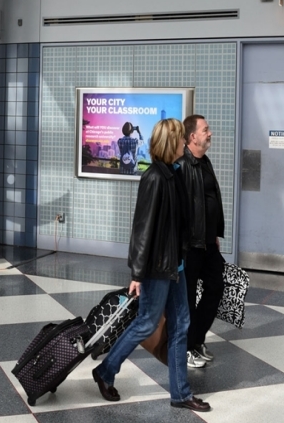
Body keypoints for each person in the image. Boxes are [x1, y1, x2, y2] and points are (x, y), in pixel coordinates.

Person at [91, 118, 211, 413]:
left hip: (176, 266)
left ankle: (181, 394)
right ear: (171, 142)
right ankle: (105, 372)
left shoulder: (173, 173)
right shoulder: (154, 177)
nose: (185, 143)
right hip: (158, 267)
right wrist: (137, 273)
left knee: (181, 324)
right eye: (180, 139)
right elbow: (142, 229)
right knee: (145, 322)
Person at [176, 115, 225, 368]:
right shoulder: (182, 166)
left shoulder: (205, 162)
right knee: (187, 297)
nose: (210, 133)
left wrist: (214, 233)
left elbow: (209, 200)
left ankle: (196, 340)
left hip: (207, 243)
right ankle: (185, 347)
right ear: (192, 136)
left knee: (216, 286)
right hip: (189, 246)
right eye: (206, 129)